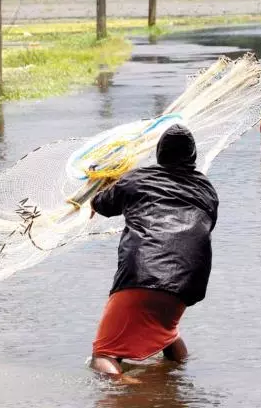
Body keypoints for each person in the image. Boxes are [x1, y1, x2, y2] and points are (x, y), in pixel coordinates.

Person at [88, 124, 219, 376]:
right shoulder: (207, 189)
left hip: (143, 274)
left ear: (160, 154)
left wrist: (103, 188)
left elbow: (102, 204)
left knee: (103, 354)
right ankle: (177, 381)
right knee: (166, 333)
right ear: (192, 156)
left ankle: (126, 391)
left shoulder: (136, 179)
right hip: (188, 281)